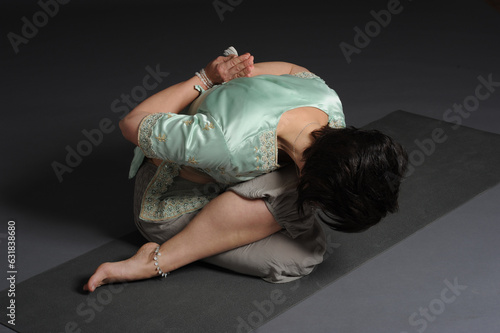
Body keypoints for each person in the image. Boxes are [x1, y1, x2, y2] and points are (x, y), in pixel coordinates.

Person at [84, 48, 408, 292]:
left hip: (211, 154)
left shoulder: (329, 102)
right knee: (303, 254)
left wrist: (228, 84)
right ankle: (157, 260)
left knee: (292, 201)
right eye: (324, 204)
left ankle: (235, 216)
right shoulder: (226, 143)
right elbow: (130, 124)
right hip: (171, 201)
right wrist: (204, 80)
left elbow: (293, 69)